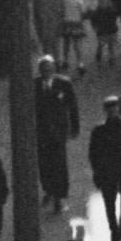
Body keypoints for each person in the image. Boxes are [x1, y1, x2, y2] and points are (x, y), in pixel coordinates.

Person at [89, 96, 121, 241]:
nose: (112, 110)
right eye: (109, 107)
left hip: (120, 171)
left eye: (114, 107)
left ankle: (120, 225)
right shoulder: (100, 131)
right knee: (112, 202)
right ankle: (116, 228)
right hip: (113, 171)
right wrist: (97, 171)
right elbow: (94, 154)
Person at [34, 55, 80, 212]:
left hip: (59, 131)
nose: (47, 73)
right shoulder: (34, 85)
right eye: (44, 70)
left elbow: (72, 107)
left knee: (59, 164)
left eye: (49, 69)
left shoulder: (64, 84)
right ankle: (48, 190)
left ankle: (59, 196)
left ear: (53, 69)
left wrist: (74, 128)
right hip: (41, 132)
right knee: (44, 164)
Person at [89, 0, 121, 67]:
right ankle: (100, 61)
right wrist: (95, 27)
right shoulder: (98, 11)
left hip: (110, 31)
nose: (103, 2)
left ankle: (111, 59)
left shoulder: (111, 10)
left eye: (104, 0)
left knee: (110, 46)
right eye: (101, 0)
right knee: (101, 46)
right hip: (103, 31)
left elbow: (117, 13)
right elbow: (93, 20)